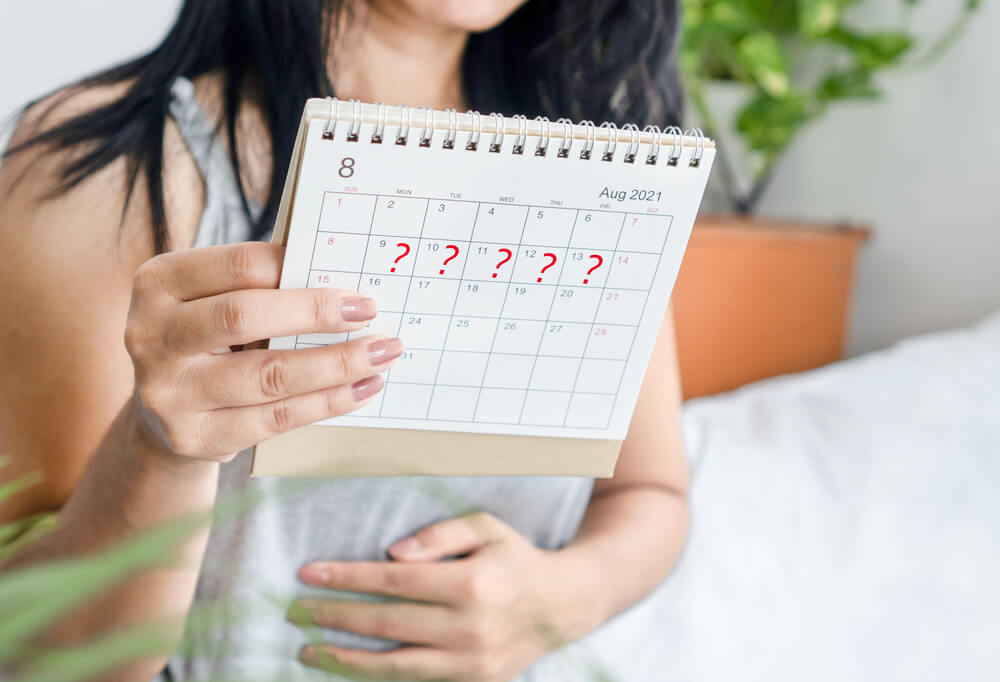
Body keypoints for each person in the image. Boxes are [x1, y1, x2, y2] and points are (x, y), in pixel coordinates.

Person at [0, 1, 690, 680]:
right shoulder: (108, 167)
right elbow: (32, 648)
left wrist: (569, 593)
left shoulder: (599, 169)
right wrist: (157, 449)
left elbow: (651, 492)